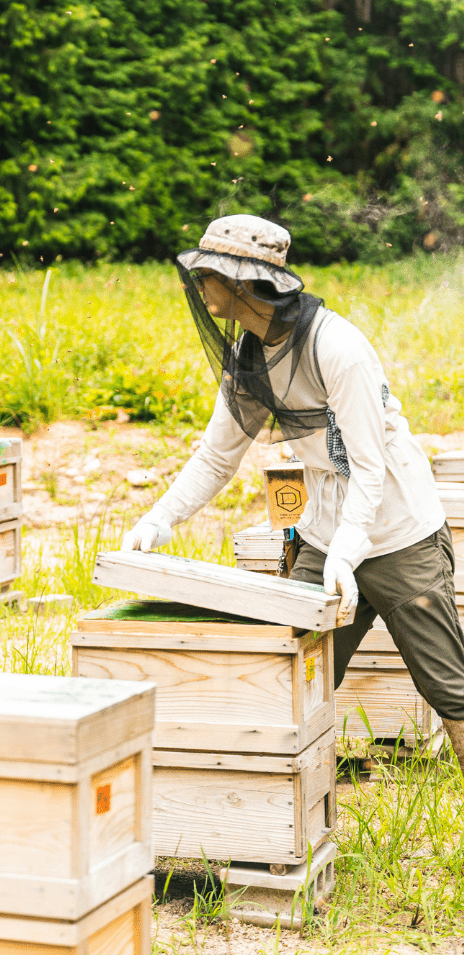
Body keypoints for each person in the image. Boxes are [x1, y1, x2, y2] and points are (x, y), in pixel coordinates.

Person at [122, 214, 464, 768]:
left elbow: (368, 466)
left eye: (206, 274)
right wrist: (158, 520)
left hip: (400, 534)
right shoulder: (251, 356)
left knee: (451, 689)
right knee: (288, 672)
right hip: (325, 536)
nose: (197, 286)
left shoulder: (339, 347)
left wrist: (350, 551)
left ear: (240, 281)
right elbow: (217, 455)